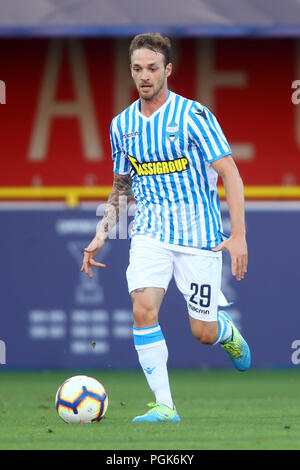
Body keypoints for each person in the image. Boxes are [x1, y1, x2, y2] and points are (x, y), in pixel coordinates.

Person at [81, 33, 250, 423]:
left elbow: (232, 175)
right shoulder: (122, 125)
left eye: (152, 68)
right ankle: (165, 406)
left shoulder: (193, 116)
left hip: (200, 237)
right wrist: (102, 233)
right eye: (137, 68)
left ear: (168, 70)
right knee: (142, 310)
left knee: (202, 332)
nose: (145, 75)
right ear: (131, 71)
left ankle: (226, 332)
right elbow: (122, 186)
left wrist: (238, 235)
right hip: (150, 234)